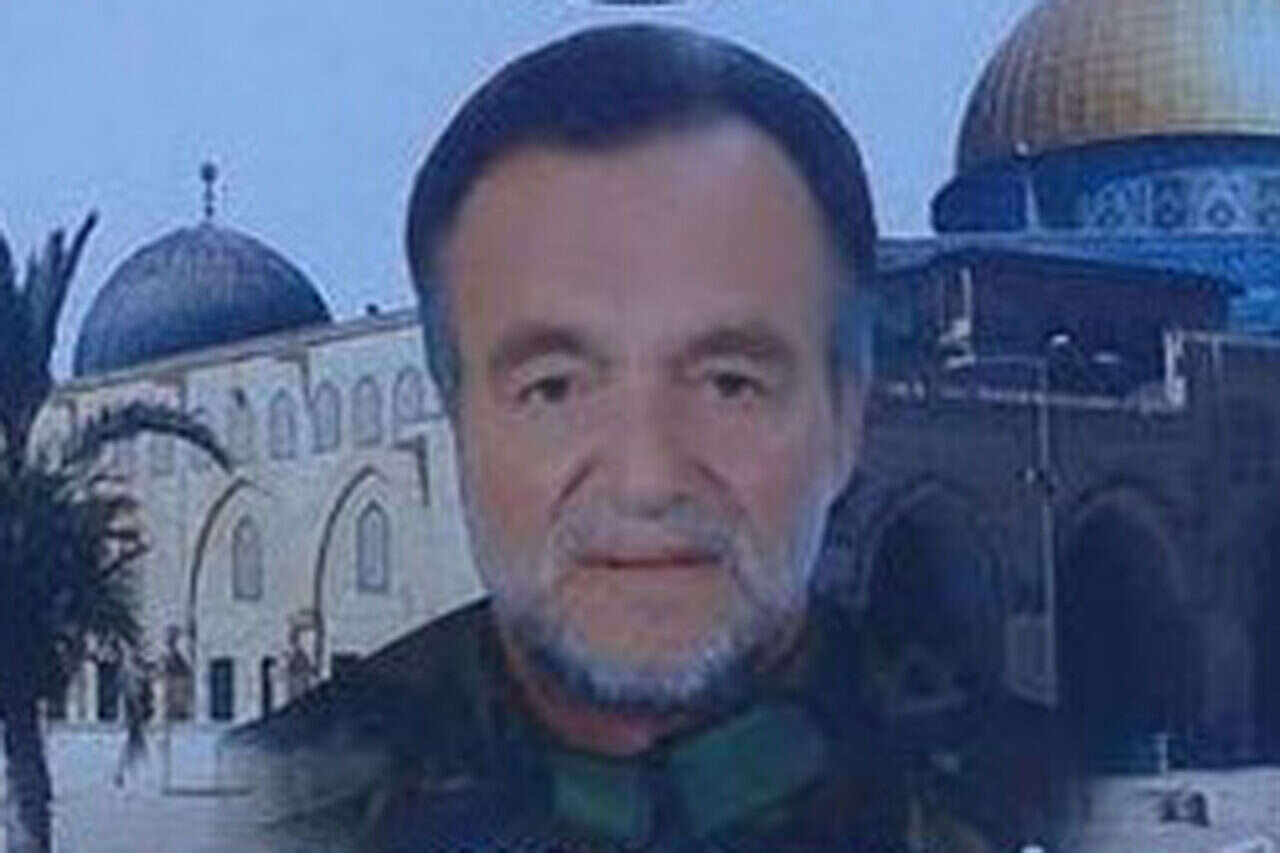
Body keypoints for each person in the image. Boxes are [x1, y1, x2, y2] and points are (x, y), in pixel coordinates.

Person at [222, 23, 1043, 851]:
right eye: (553, 388)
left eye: (729, 383)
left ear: (847, 414)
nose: (646, 480)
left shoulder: (1029, 800)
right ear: (455, 419)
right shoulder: (280, 804)